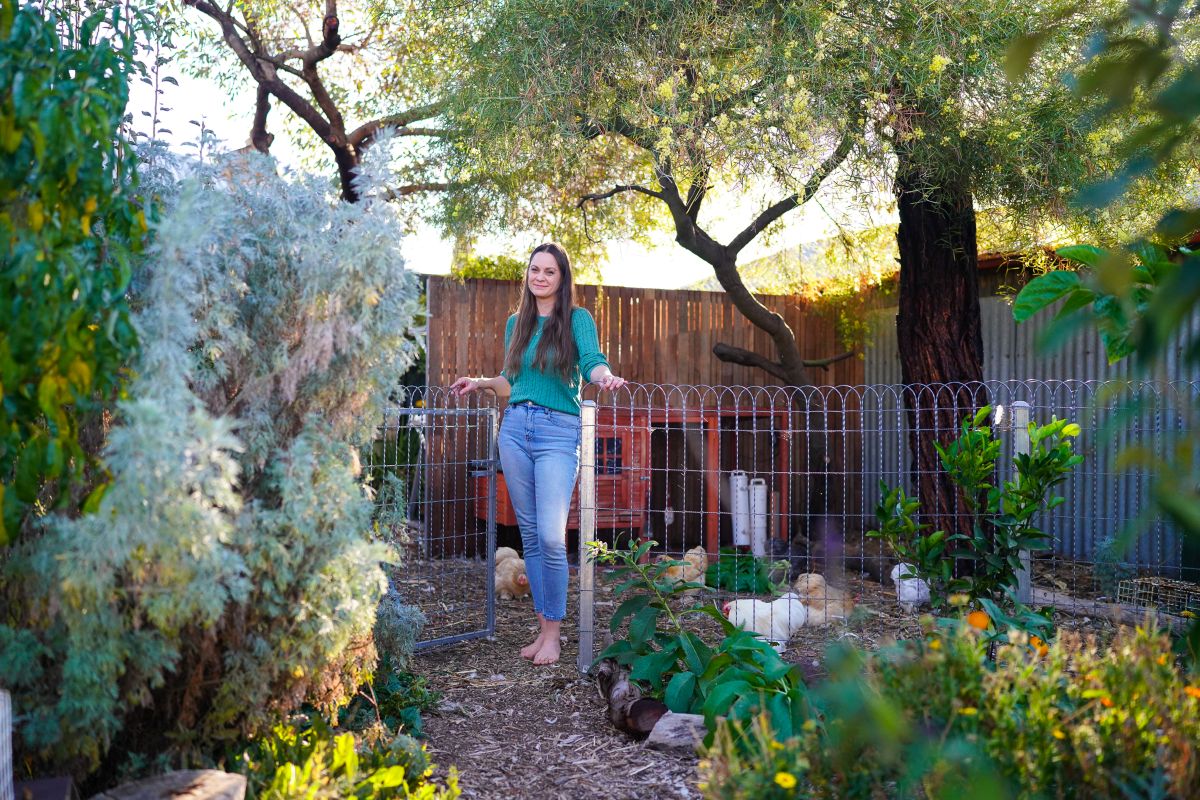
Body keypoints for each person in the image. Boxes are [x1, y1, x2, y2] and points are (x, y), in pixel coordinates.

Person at [451, 242, 624, 666]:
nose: (540, 277)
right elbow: (512, 379)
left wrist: (605, 378)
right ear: (527, 275)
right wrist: (480, 382)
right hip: (515, 429)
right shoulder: (518, 323)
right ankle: (544, 632)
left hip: (557, 432)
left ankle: (557, 633)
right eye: (535, 269)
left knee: (550, 534)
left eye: (550, 271)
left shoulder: (577, 319)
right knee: (529, 535)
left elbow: (592, 361)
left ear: (562, 279)